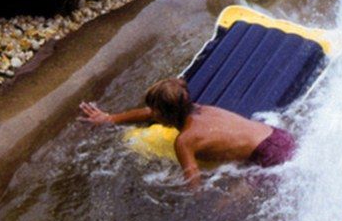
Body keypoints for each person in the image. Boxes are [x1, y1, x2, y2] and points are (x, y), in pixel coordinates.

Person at [79, 77, 296, 190]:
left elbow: (193, 181)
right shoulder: (201, 109)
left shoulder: (185, 141)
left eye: (155, 110)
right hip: (279, 136)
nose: (151, 113)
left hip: (270, 157)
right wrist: (110, 119)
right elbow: (148, 113)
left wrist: (190, 200)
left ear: (166, 114)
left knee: (224, 210)